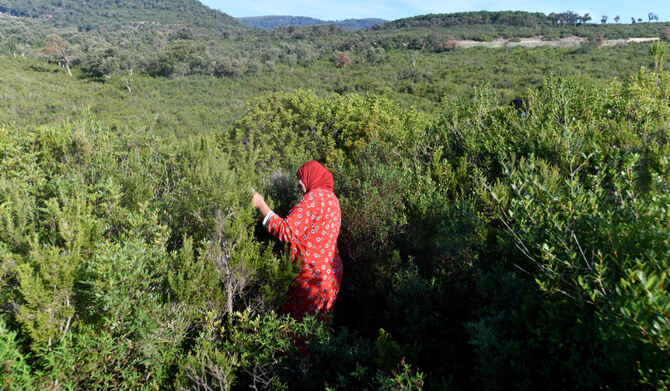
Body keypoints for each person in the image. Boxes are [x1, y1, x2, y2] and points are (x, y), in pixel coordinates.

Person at [252, 160, 343, 322]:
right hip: (329, 277)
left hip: (311, 278)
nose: (298, 183)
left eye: (301, 177)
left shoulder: (314, 198)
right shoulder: (332, 199)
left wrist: (261, 205)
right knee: (316, 330)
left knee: (295, 331)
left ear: (311, 176)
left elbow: (286, 231)